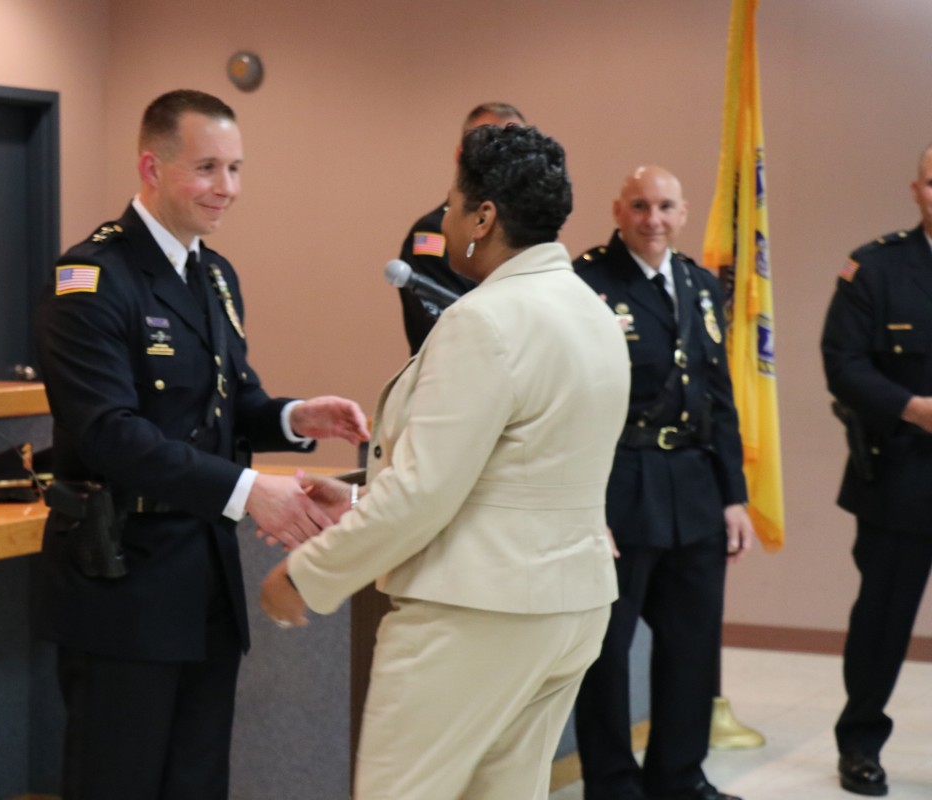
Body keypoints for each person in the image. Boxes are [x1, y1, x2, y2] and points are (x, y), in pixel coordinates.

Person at [260, 124, 630, 800]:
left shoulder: (482, 321)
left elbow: (425, 495)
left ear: (484, 217)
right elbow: (515, 472)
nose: (445, 218)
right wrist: (359, 503)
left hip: (476, 614)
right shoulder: (594, 313)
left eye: (453, 205)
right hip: (569, 608)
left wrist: (307, 572)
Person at [33, 89, 369, 800]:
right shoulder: (91, 278)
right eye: (209, 168)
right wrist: (251, 493)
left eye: (237, 169)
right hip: (123, 583)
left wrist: (295, 418)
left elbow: (230, 401)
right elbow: (109, 435)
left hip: (203, 585)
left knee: (196, 784)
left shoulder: (213, 274)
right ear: (151, 168)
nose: (228, 190)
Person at [572, 166, 755, 800]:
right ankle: (614, 784)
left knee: (692, 642)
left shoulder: (701, 286)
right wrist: (582, 507)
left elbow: (719, 397)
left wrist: (734, 496)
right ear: (619, 211)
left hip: (694, 487)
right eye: (641, 206)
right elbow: (571, 403)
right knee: (608, 648)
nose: (654, 219)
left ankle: (679, 775)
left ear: (683, 214)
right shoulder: (586, 282)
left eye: (666, 207)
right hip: (620, 484)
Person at [820, 143, 932, 798]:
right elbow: (845, 363)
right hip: (903, 474)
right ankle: (861, 743)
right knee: (882, 623)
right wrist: (914, 409)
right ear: (916, 190)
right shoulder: (876, 267)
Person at [396, 102, 526, 355]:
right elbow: (449, 335)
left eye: (515, 147)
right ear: (460, 155)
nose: (502, 157)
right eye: (488, 146)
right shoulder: (435, 234)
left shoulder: (525, 231)